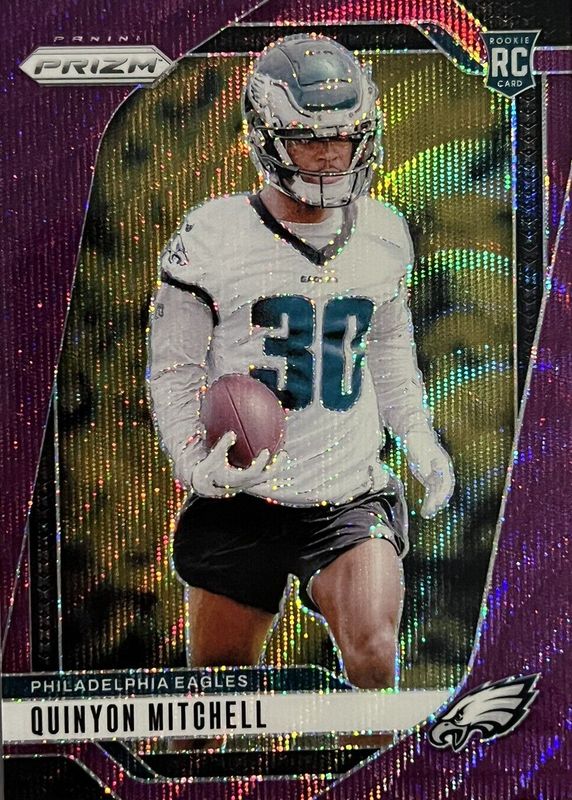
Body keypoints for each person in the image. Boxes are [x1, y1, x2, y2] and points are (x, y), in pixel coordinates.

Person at [148, 33, 454, 692]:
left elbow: (390, 349)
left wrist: (419, 437)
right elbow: (173, 369)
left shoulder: (383, 231)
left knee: (374, 651)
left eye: (342, 137)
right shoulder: (214, 236)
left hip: (347, 496)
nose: (329, 154)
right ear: (265, 137)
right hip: (243, 496)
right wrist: (192, 460)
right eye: (307, 139)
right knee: (216, 700)